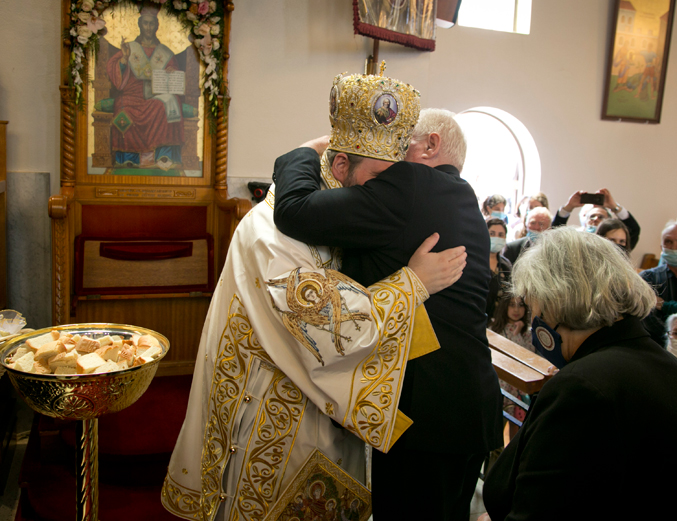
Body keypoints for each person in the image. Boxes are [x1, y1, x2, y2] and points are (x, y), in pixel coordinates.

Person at [162, 71, 467, 520]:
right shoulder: (273, 229)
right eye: (381, 179)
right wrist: (412, 284)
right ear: (340, 166)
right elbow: (324, 323)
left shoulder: (340, 204)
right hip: (270, 404)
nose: (390, 194)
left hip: (321, 405)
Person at [272, 108, 503, 520]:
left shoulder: (415, 184)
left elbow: (295, 210)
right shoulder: (458, 195)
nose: (392, 154)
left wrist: (308, 151)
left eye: (402, 141)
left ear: (431, 144)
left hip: (427, 420)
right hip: (467, 408)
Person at [480, 227, 677, 520]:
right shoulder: (662, 363)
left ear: (556, 299)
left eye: (532, 301)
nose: (533, 315)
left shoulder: (582, 388)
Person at [106, 4, 184, 170]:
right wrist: (124, 60)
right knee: (123, 106)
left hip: (157, 95)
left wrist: (171, 71)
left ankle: (163, 157)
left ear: (157, 26)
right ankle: (129, 158)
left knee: (166, 104)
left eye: (152, 24)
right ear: (140, 25)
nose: (148, 27)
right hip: (132, 95)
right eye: (145, 23)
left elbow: (176, 77)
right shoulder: (130, 48)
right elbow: (113, 69)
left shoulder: (165, 51)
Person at [640, 223, 677, 346]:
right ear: (661, 247)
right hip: (659, 346)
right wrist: (673, 340)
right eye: (668, 242)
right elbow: (647, 318)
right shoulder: (648, 278)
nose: (674, 247)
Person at [489, 296, 534, 440]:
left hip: (517, 388)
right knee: (495, 424)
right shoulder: (494, 328)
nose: (516, 310)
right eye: (512, 305)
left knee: (517, 427)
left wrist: (517, 333)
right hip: (498, 384)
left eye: (520, 305)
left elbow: (527, 357)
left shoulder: (528, 332)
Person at [552, 188, 641, 250]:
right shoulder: (576, 242)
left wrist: (614, 207)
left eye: (601, 217)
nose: (595, 219)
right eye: (592, 216)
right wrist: (569, 207)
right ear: (585, 222)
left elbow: (633, 230)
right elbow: (554, 235)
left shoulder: (615, 246)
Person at [486, 217, 512, 321]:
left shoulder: (506, 265)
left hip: (498, 322)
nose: (496, 237)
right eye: (492, 233)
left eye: (501, 235)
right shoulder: (474, 262)